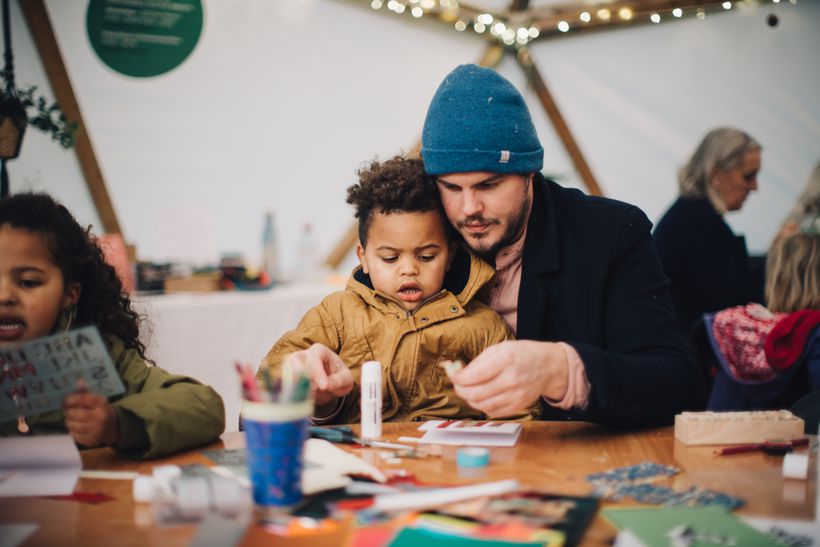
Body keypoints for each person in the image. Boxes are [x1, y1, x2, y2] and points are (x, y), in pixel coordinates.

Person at [418, 64, 696, 427]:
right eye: (451, 188)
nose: (469, 209)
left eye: (489, 185)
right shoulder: (422, 231)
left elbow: (675, 382)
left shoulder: (610, 234)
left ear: (530, 172)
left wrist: (561, 370)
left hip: (571, 466)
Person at [256, 156, 530, 423]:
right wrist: (316, 392)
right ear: (363, 257)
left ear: (449, 256)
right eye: (390, 258)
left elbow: (521, 413)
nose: (408, 269)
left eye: (426, 257)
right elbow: (268, 383)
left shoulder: (483, 327)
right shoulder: (336, 315)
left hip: (449, 463)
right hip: (359, 458)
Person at [0, 193, 225, 458]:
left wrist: (117, 424)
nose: (4, 296)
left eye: (28, 282)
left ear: (68, 295)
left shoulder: (101, 357)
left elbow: (204, 406)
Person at [653, 128, 767, 336]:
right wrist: (777, 258)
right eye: (748, 176)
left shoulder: (690, 215)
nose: (755, 187)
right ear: (717, 175)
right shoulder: (696, 224)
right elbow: (731, 305)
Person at [705, 230, 820, 412]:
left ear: (776, 277)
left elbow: (719, 408)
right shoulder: (815, 333)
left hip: (732, 436)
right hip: (800, 437)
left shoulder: (736, 328)